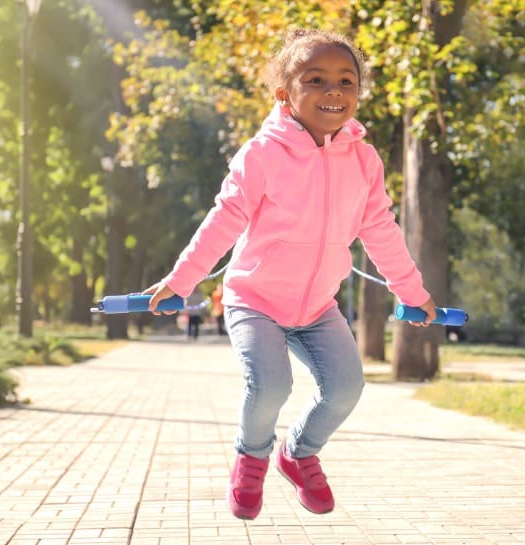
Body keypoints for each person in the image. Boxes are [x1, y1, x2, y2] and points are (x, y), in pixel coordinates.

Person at [143, 28, 437, 520]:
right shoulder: (261, 155)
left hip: (318, 305)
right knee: (270, 387)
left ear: (358, 93)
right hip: (255, 299)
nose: (333, 91)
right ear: (285, 93)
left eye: (346, 81)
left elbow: (381, 229)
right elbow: (224, 220)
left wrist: (413, 292)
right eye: (316, 79)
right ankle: (251, 457)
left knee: (347, 388)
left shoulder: (364, 161)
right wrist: (181, 280)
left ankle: (298, 454)